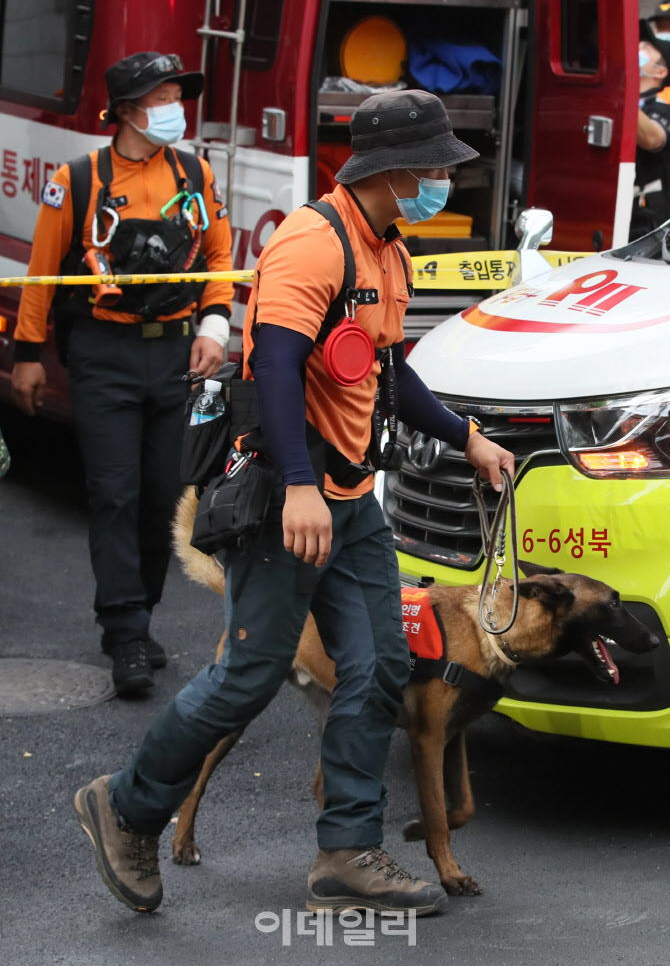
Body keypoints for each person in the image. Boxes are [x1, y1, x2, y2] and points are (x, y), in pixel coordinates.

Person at [74, 90, 515, 917]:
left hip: (350, 500)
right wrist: (303, 488)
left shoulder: (387, 249)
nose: (444, 183)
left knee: (381, 665)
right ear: (397, 171)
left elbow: (390, 372)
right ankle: (126, 808)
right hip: (289, 498)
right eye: (436, 169)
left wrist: (468, 437)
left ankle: (348, 848)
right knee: (248, 675)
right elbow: (271, 368)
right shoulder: (313, 242)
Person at [11, 52, 234, 695]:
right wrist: (27, 354)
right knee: (114, 491)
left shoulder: (194, 172)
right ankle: (126, 632)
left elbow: (218, 252)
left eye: (177, 95)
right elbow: (42, 271)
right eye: (162, 97)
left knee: (164, 493)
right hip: (102, 354)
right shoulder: (77, 179)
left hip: (173, 354)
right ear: (129, 110)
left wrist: (215, 327)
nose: (175, 108)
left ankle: (138, 613)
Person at [631, 32, 670, 239]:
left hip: (649, 222)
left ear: (660, 71)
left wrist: (624, 90)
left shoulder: (663, 108)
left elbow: (653, 139)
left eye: (646, 50)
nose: (638, 49)